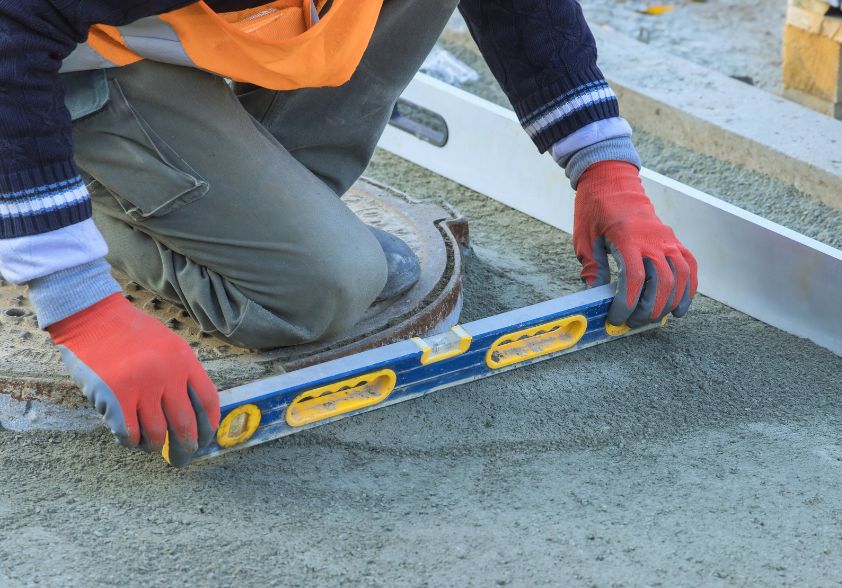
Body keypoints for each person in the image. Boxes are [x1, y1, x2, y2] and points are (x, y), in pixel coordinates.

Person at [0, 0, 699, 466]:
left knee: (321, 249)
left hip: (202, 26)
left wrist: (604, 167)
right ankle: (71, 186)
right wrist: (83, 307)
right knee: (321, 289)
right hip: (69, 58)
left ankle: (237, 180)